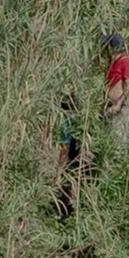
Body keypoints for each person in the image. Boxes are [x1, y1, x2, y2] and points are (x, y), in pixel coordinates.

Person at [53, 91, 88, 220]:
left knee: (67, 181)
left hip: (75, 157)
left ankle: (64, 212)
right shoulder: (84, 118)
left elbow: (65, 148)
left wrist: (58, 172)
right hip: (88, 157)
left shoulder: (67, 121)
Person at [102, 32, 129, 142]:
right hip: (111, 108)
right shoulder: (114, 63)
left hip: (120, 108)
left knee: (118, 143)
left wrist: (118, 104)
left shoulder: (126, 62)